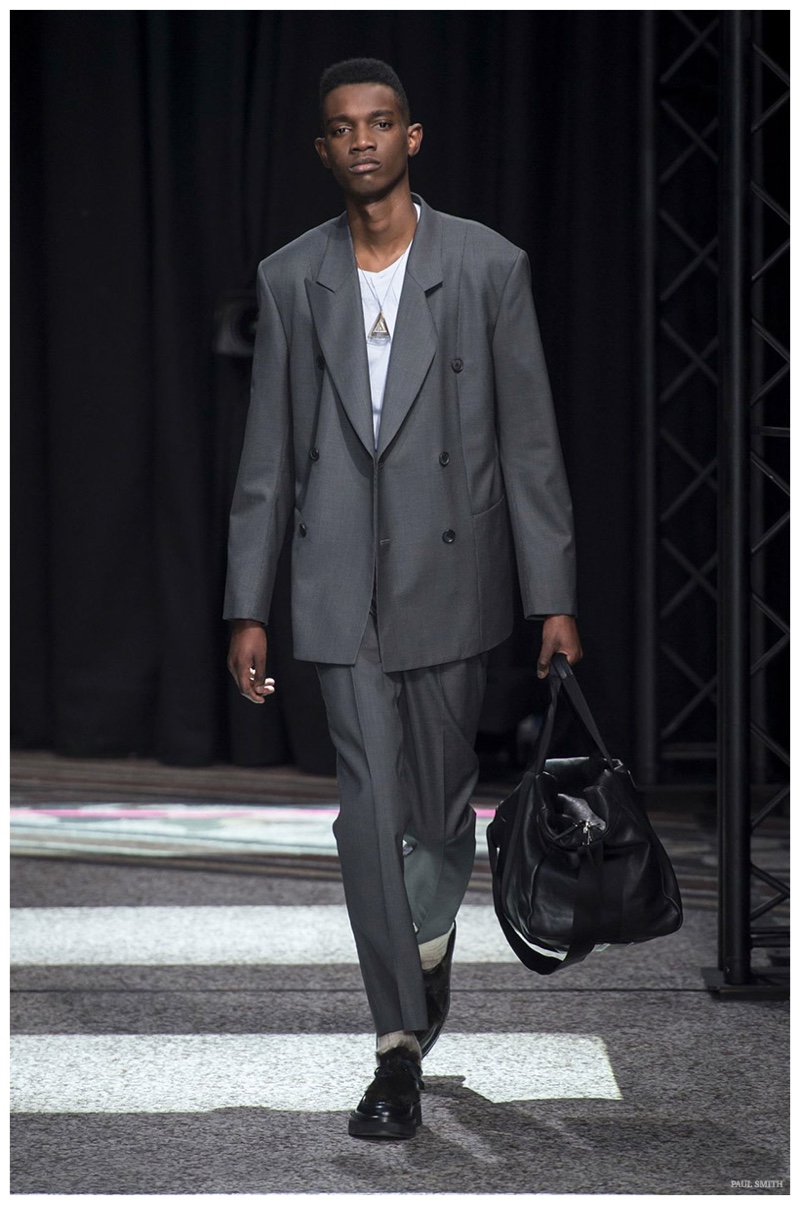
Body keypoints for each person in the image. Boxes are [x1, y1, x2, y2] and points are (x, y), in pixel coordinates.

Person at [225, 57, 582, 1140]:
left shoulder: (486, 265)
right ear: (324, 149)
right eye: (344, 127)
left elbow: (529, 442)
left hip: (449, 579)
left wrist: (553, 595)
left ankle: (425, 942)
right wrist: (248, 603)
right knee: (368, 814)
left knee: (437, 813)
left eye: (381, 123)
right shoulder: (292, 277)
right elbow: (266, 455)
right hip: (338, 585)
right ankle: (393, 1045)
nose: (364, 141)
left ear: (411, 138)